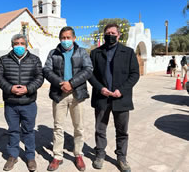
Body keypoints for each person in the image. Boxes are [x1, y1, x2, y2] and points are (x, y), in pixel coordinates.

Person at [89, 24, 139, 172]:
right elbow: (90, 74)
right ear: (104, 35)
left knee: (122, 130)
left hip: (120, 98)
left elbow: (135, 74)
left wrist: (121, 91)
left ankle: (121, 158)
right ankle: (99, 155)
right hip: (101, 97)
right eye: (107, 33)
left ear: (118, 35)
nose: (110, 35)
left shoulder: (128, 52)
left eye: (113, 33)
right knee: (100, 129)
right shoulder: (96, 53)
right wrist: (100, 88)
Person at [43, 26, 93, 171]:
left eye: (68, 37)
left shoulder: (82, 52)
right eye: (63, 38)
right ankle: (57, 156)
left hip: (77, 94)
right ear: (60, 39)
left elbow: (88, 69)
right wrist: (61, 84)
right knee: (58, 127)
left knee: (79, 127)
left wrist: (71, 83)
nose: (65, 40)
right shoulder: (53, 53)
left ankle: (78, 154)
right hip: (59, 94)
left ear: (74, 38)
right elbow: (47, 70)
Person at [0, 34, 44, 171]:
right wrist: (10, 88)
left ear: (26, 45)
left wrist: (28, 89)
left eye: (22, 43)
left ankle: (30, 157)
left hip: (29, 103)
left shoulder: (34, 60)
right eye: (16, 43)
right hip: (11, 103)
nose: (19, 46)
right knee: (13, 131)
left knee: (28, 131)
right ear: (12, 45)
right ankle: (12, 155)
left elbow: (39, 77)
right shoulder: (4, 60)